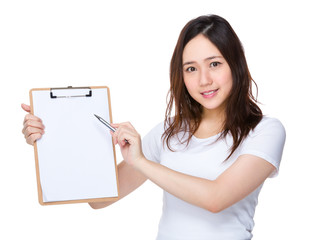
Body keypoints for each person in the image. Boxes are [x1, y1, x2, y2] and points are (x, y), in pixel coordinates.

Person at [22, 14, 286, 240]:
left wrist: (142, 162)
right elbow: (99, 199)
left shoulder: (265, 131)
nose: (204, 80)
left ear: (236, 64)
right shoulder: (169, 131)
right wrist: (54, 135)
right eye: (191, 68)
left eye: (214, 64)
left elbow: (215, 198)